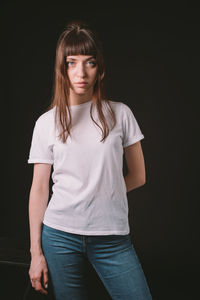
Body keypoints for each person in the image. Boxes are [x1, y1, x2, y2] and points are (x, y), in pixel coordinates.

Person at [27, 19, 153, 300]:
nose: (81, 71)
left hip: (113, 239)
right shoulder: (46, 123)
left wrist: (102, 194)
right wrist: (36, 253)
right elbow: (38, 189)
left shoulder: (120, 114)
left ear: (100, 68)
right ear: (62, 69)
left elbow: (138, 176)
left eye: (90, 62)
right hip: (59, 236)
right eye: (72, 62)